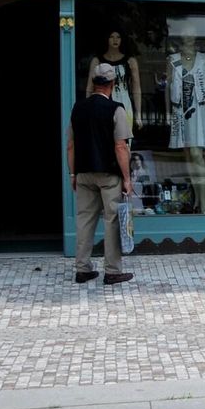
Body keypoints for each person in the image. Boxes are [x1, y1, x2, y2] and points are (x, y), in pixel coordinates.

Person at [65, 63, 134, 285]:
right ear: (112, 85)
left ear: (94, 83)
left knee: (84, 220)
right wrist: (127, 178)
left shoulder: (78, 108)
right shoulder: (116, 109)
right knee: (111, 220)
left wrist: (73, 174)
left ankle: (82, 268)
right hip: (108, 173)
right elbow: (121, 146)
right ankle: (112, 270)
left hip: (84, 173)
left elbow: (70, 145)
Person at [169, 24, 205, 213]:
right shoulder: (172, 60)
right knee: (188, 156)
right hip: (180, 110)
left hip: (198, 108)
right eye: (185, 34)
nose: (188, 37)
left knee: (197, 154)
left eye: (191, 33)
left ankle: (203, 202)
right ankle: (196, 198)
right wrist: (167, 112)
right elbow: (168, 87)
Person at [86, 30, 143, 134]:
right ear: (106, 39)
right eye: (112, 37)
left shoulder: (130, 61)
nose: (115, 40)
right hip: (102, 103)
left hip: (124, 102)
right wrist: (88, 109)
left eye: (118, 37)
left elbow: (136, 88)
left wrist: (138, 114)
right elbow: (90, 87)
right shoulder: (97, 60)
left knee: (123, 140)